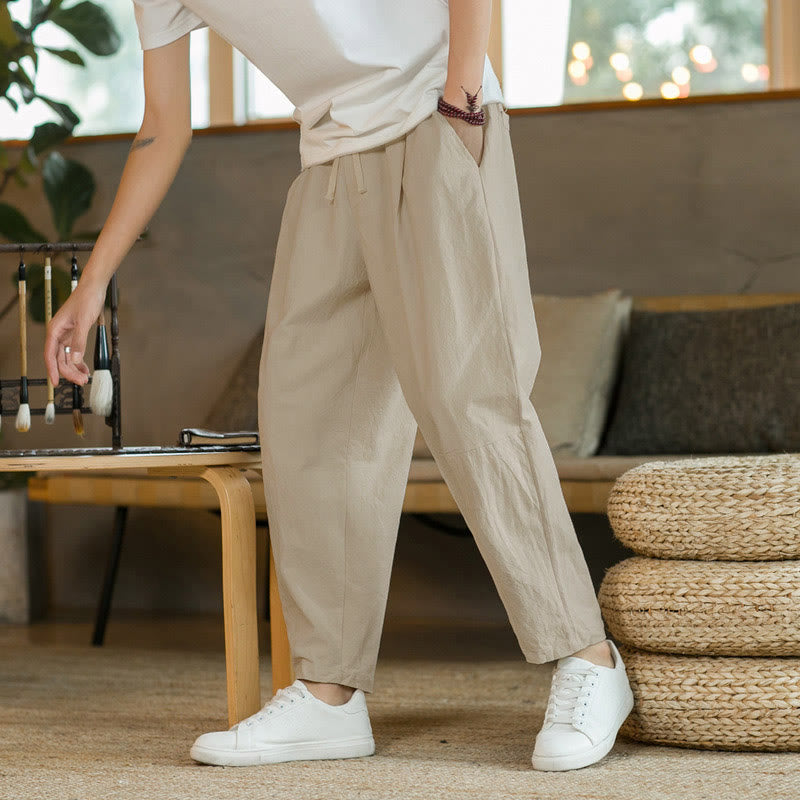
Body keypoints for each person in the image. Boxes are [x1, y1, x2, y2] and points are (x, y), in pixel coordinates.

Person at [44, 0, 634, 773]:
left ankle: (587, 656)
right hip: (327, 163)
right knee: (311, 420)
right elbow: (163, 122)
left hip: (432, 117)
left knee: (468, 396)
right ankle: (329, 695)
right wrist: (92, 284)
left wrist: (462, 98)